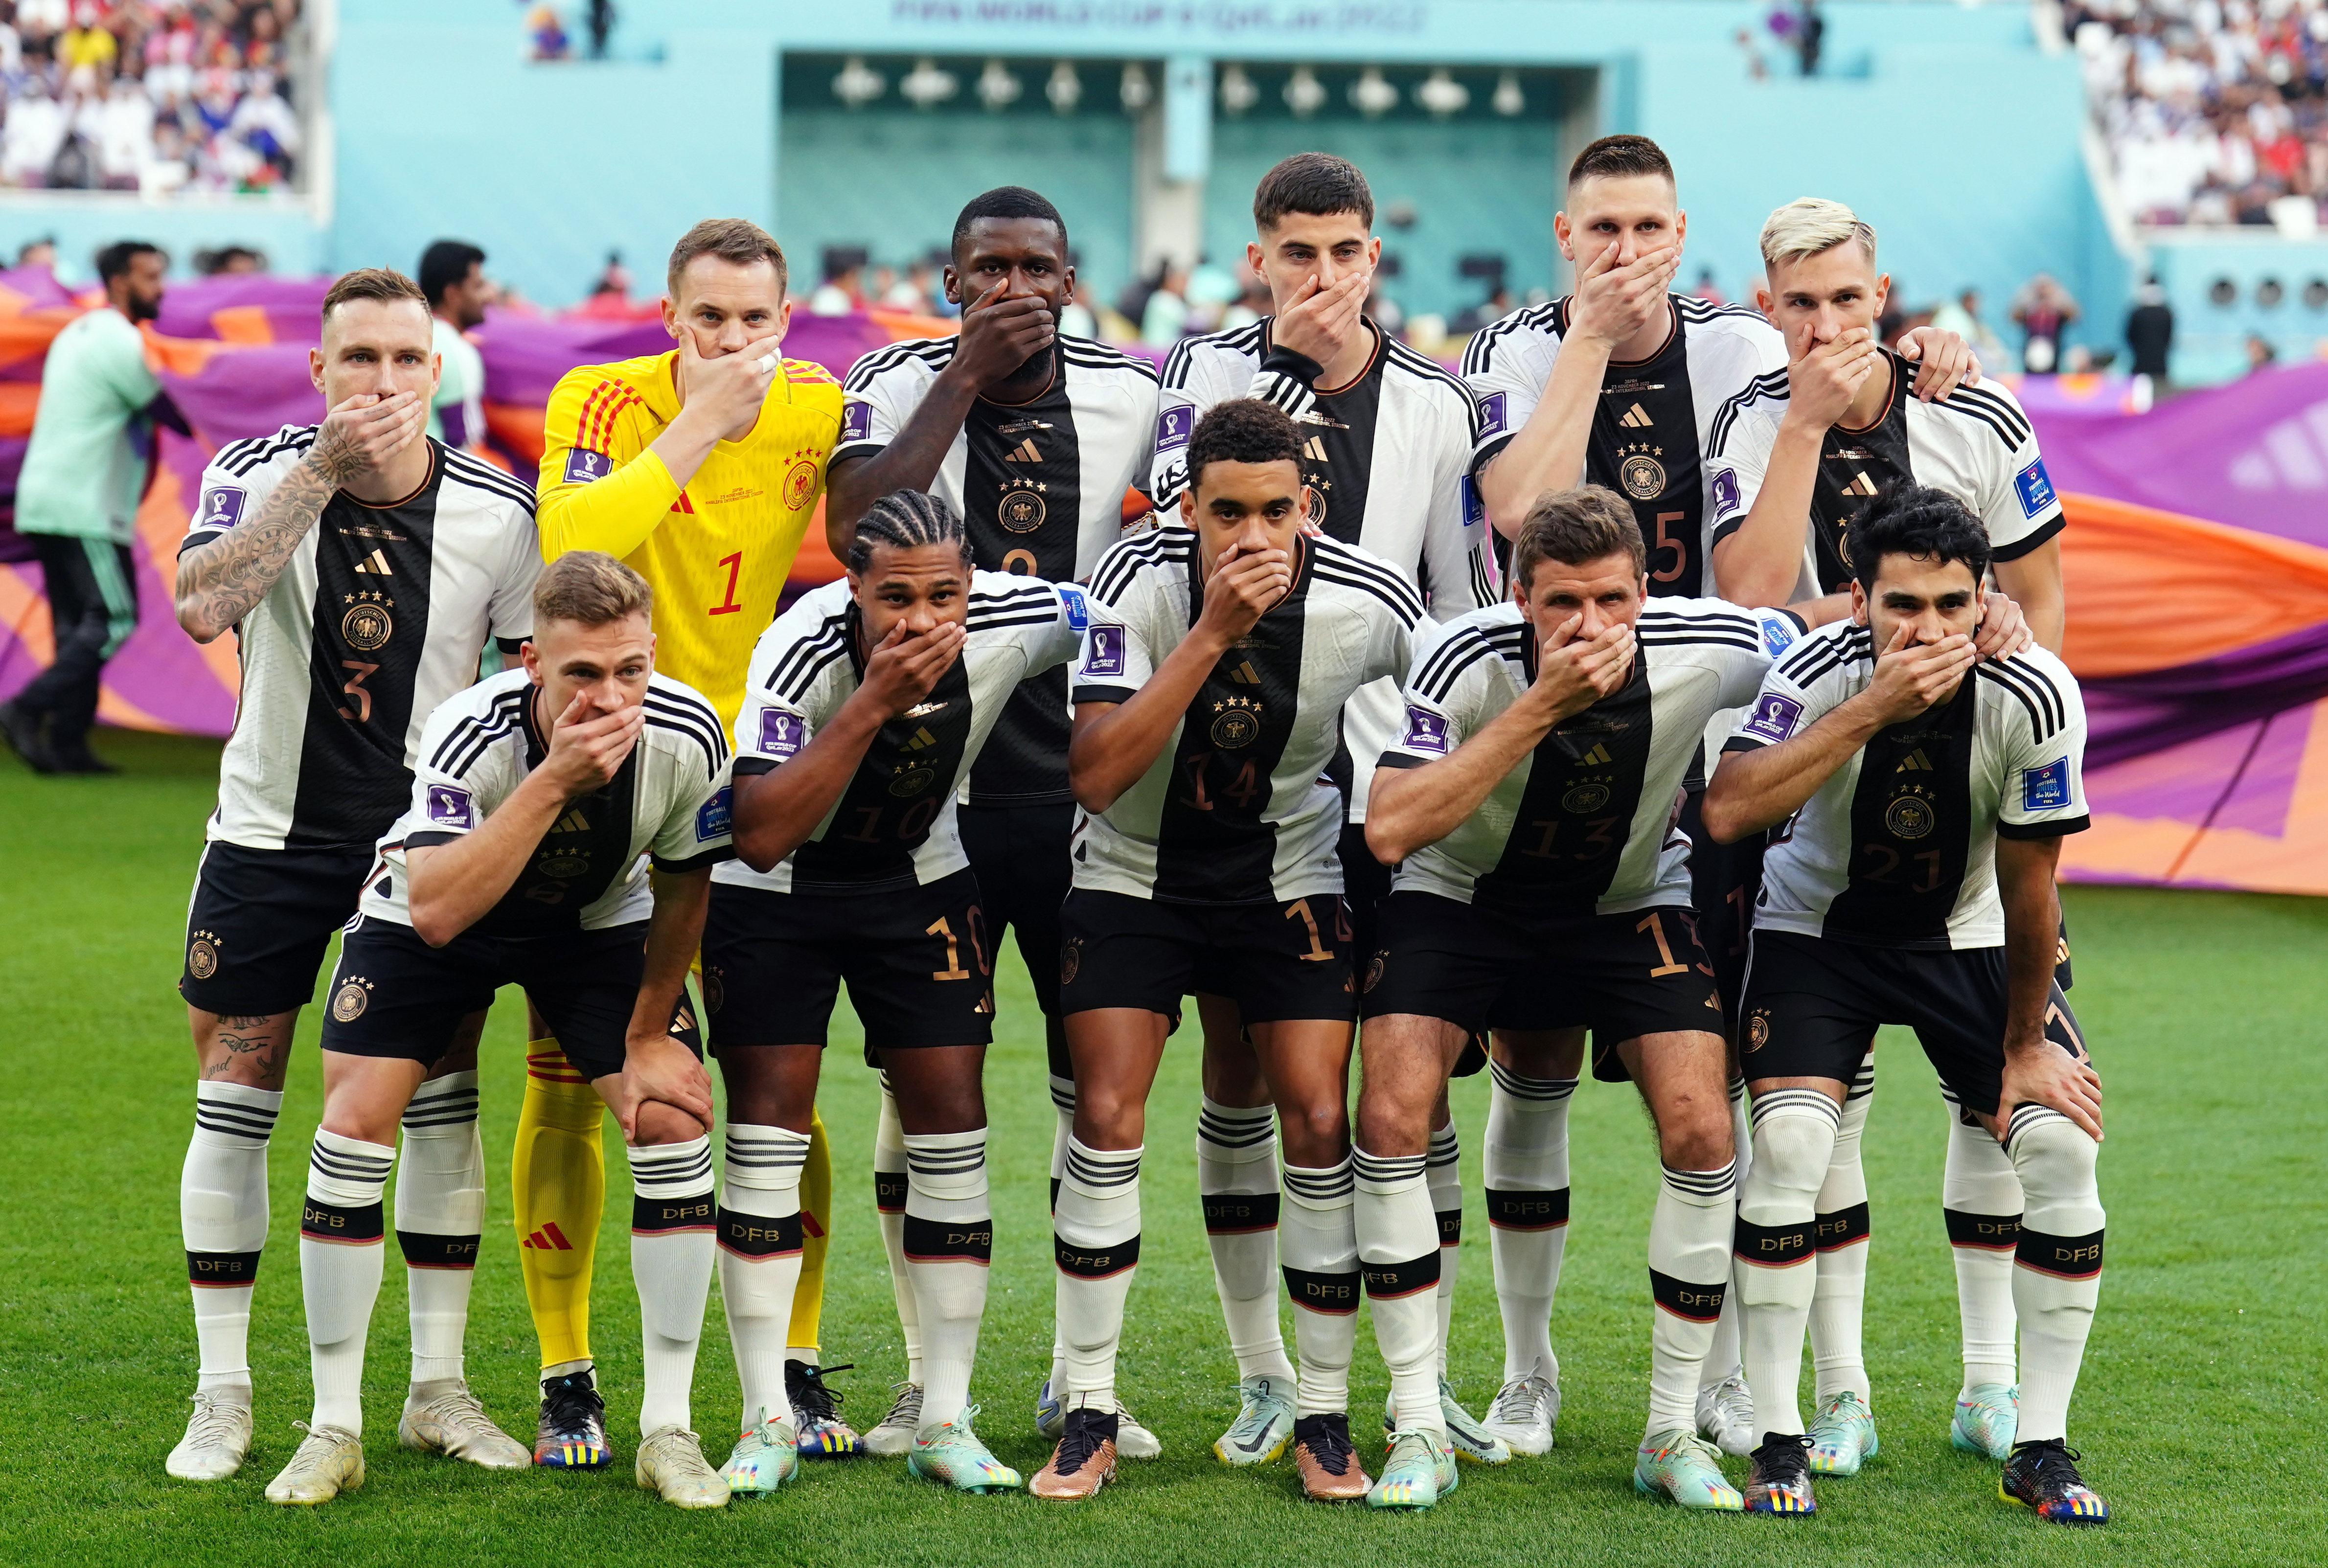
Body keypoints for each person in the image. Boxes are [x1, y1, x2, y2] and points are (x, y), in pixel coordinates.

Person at [1462, 134, 1975, 1458]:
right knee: (1529, 1063)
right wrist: (1587, 342)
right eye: (1600, 231)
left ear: (1681, 235)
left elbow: (1844, 397)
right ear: (1562, 236)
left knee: (1760, 1081)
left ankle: (1756, 1378)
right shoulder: (1509, 350)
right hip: (1561, 736)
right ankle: (1527, 1375)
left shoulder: (1746, 355)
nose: (1625, 254)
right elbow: (1519, 514)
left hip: (1735, 745)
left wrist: (1928, 351)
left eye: (1646, 229)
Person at [1149, 150, 1504, 1467]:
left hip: (1384, 784)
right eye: (1294, 252)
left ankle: (1425, 1370)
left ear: (1372, 258)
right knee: (1248, 1066)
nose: (1320, 275)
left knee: (1413, 1069)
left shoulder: (1434, 401)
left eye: (1342, 252)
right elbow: (1159, 547)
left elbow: (1456, 596)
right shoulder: (1195, 379)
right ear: (1257, 260)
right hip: (1231, 777)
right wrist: (1281, 381)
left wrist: (1451, 765)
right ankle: (1264, 1374)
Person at [162, 267, 541, 1484]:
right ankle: (223, 1391)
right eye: (358, 358)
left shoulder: (498, 508)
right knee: (238, 1087)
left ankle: (436, 1385)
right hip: (267, 834)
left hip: (417, 851)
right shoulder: (258, 470)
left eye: (403, 359)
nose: (381, 381)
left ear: (438, 372)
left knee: (440, 1089)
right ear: (318, 371)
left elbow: (532, 680)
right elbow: (203, 604)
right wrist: (320, 468)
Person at [1701, 197, 2057, 1474]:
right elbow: (1746, 604)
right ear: (1765, 313)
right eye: (1797, 303)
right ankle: (1837, 1392)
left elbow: (2038, 578)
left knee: (1993, 1103)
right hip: (1810, 787)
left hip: (1966, 797)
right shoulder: (1750, 421)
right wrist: (1801, 423)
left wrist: (2018, 650)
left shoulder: (1977, 409)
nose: (1826, 324)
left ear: (1880, 294)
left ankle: (1988, 1386)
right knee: (1815, 1119)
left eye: (1845, 298)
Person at [263, 551, 736, 1508]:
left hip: (596, 927)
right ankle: (334, 1428)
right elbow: (436, 908)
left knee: (675, 1123)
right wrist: (556, 778)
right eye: (583, 674)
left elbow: (688, 889)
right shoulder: (467, 728)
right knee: (352, 1127)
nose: (613, 695)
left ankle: (669, 1432)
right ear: (531, 663)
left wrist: (649, 1031)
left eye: (631, 669)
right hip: (439, 916)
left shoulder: (690, 733)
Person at [1358, 486, 1786, 1513]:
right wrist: (1541, 704)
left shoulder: (1712, 643)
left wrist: (1984, 617)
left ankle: (1672, 1429)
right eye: (1561, 604)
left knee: (1701, 1128)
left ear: (1647, 591)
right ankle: (1429, 1415)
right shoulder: (1461, 657)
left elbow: (1820, 641)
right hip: (1461, 896)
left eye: (1609, 601)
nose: (1588, 626)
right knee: (1387, 1116)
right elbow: (1389, 829)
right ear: (1518, 597)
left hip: (1628, 899)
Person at [823, 185, 1162, 1457]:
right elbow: (855, 531)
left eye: (1038, 268)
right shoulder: (893, 375)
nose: (1015, 287)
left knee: (1095, 1089)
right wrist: (958, 381)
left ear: (1069, 280)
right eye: (988, 270)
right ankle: (924, 1374)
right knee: (927, 1088)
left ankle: (1089, 1378)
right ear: (952, 279)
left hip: (1080, 795)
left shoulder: (1130, 391)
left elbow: (1183, 537)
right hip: (929, 799)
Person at [1036, 399, 1420, 1503]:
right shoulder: (1134, 585)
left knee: (1317, 1117)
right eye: (1226, 513)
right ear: (1183, 507)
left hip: (1285, 880)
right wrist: (1209, 630)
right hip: (1131, 875)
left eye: (1276, 511)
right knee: (1106, 1118)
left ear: (1311, 505)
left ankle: (1322, 1412)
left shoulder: (1369, 595)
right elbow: (1098, 775)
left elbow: (1465, 697)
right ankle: (1092, 1408)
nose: (1253, 537)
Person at [1702, 484, 2107, 1526]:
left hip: (1966, 932)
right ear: (1858, 599)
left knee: (2059, 1146)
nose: (1925, 631)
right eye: (1900, 607)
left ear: (1984, 601)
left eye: (1948, 606)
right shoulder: (1813, 670)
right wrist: (1872, 707)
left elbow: (2030, 888)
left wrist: (2025, 1045)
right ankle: (1787, 1434)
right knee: (1791, 1148)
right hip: (1817, 934)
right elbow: (1732, 805)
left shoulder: (2038, 692)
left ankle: (2038, 1441)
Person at [528, 218, 849, 1466]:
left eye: (753, 319)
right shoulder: (601, 396)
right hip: (606, 764)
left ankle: (794, 1356)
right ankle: (567, 1372)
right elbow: (576, 544)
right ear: (670, 318)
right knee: (571, 1071)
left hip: (750, 781)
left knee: (777, 1078)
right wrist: (699, 422)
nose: (731, 341)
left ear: (786, 318)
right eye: (707, 318)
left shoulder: (818, 401)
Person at [705, 489, 1088, 1495]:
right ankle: (765, 1421)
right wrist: (873, 701)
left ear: (974, 584)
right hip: (776, 894)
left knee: (952, 1122)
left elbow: (1123, 613)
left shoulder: (1017, 614)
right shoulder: (800, 649)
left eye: (944, 596)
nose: (922, 620)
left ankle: (946, 1418)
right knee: (768, 1131)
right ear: (854, 588)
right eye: (896, 598)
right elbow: (760, 829)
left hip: (918, 877)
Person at [1, 240, 168, 775]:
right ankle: (25, 708)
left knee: (76, 628)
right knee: (115, 619)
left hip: (48, 498)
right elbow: (176, 407)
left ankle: (69, 744)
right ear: (120, 282)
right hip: (86, 504)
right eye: (150, 277)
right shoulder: (120, 342)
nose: (159, 288)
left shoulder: (79, 331)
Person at [418, 240, 490, 453]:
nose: (487, 297)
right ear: (453, 294)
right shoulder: (458, 352)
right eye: (478, 287)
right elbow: (463, 441)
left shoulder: (413, 335)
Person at [2009, 274, 2079, 374]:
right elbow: (2014, 317)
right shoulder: (2029, 309)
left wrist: (2058, 300)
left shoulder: (2058, 309)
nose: (2043, 291)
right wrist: (2027, 301)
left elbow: (2074, 316)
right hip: (2031, 349)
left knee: (2053, 375)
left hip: (2054, 350)